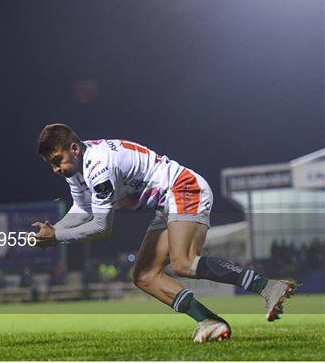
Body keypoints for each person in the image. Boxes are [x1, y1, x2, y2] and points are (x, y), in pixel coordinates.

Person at [32, 123, 296, 343]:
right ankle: (210, 321)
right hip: (166, 202)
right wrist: (54, 229)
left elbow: (102, 227)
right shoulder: (76, 167)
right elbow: (81, 208)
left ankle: (268, 286)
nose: (56, 169)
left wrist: (56, 237)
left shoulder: (98, 168)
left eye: (57, 161)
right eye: (51, 164)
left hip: (183, 188)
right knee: (145, 275)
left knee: (184, 262)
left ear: (74, 149)